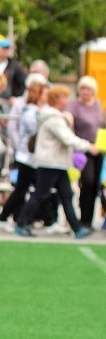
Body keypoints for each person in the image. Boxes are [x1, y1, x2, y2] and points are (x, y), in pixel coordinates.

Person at [15, 85, 101, 239]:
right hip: (50, 162)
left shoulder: (54, 116)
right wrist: (88, 146)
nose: (67, 101)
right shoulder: (53, 118)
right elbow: (67, 138)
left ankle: (77, 228)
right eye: (64, 97)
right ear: (57, 99)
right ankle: (22, 223)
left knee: (66, 195)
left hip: (58, 162)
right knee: (40, 195)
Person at [0, 77, 48, 229]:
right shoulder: (31, 112)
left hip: (30, 156)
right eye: (44, 94)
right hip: (27, 156)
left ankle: (15, 217)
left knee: (28, 189)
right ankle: (6, 217)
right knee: (25, 189)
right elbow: (35, 130)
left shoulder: (35, 111)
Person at [69, 76, 105, 227]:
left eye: (88, 89)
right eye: (82, 88)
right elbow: (69, 120)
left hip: (99, 149)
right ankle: (83, 219)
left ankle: (89, 220)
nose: (85, 92)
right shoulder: (74, 106)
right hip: (83, 149)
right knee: (87, 182)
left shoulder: (97, 105)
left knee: (96, 184)